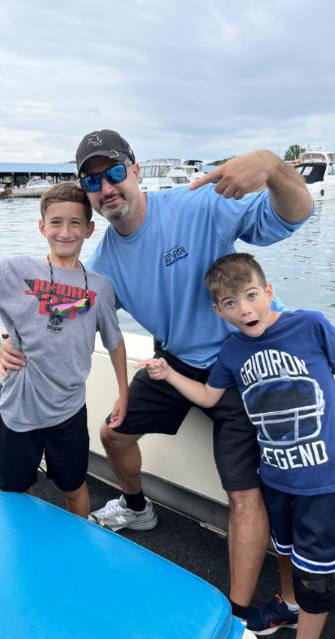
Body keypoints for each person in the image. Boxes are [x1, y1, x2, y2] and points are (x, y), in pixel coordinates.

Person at [0, 129, 313, 631]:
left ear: (136, 169)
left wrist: (273, 167)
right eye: (93, 181)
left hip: (244, 361)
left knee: (244, 494)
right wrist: (10, 340)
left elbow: (295, 214)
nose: (107, 187)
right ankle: (136, 507)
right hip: (175, 362)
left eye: (114, 172)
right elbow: (57, 314)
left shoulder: (197, 205)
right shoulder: (102, 268)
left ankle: (235, 616)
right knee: (113, 434)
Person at [139, 252, 335, 639]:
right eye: (231, 303)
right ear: (219, 311)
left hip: (321, 482)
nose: (245, 309)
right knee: (285, 551)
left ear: (269, 291)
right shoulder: (232, 352)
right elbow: (209, 396)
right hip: (276, 479)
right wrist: (169, 374)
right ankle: (289, 607)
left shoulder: (310, 325)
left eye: (251, 295)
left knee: (315, 578)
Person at [0, 181, 129, 518]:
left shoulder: (100, 287)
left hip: (69, 409)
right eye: (56, 222)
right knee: (17, 491)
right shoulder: (13, 271)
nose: (65, 232)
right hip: (19, 409)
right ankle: (24, 541)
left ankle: (77, 540)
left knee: (74, 487)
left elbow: (115, 342)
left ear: (89, 230)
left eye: (75, 223)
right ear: (42, 227)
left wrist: (123, 394)